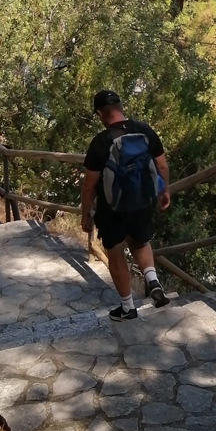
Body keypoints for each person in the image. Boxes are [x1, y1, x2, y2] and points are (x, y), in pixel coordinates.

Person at [81, 89, 172, 320]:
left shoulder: (101, 142)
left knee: (116, 253)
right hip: (142, 200)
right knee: (141, 242)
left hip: (112, 208)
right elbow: (162, 166)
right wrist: (163, 191)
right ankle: (152, 280)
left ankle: (127, 308)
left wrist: (86, 214)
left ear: (101, 114)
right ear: (121, 107)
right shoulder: (143, 130)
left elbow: (89, 186)